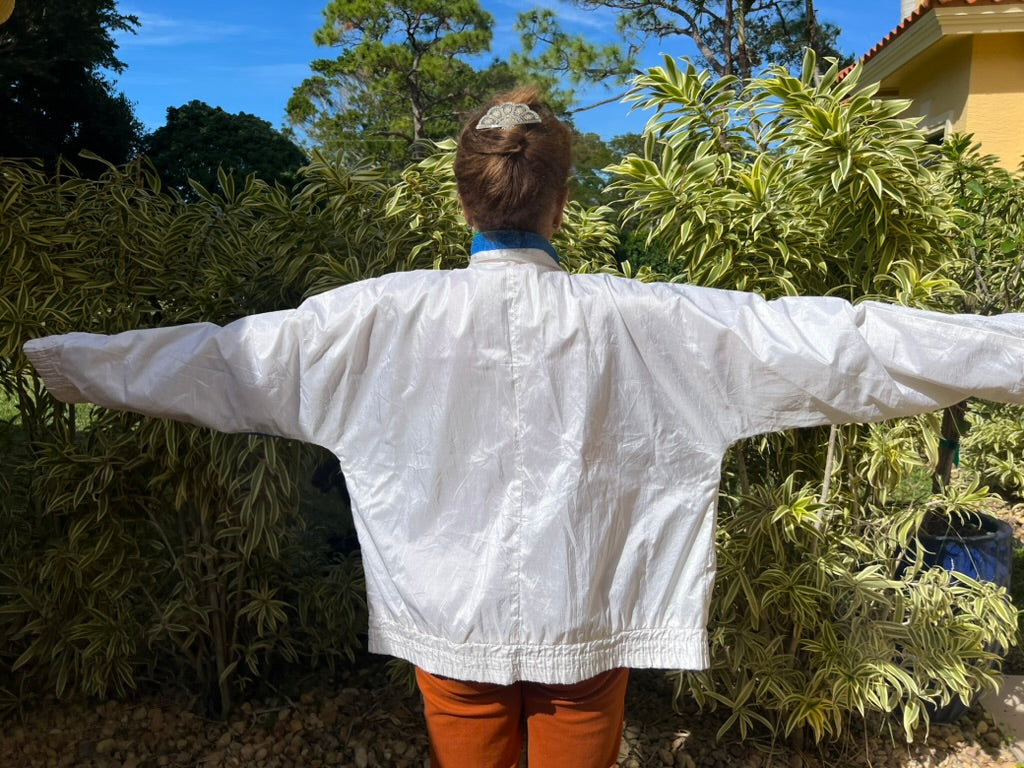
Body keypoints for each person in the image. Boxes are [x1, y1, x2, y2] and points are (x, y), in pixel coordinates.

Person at [22, 86, 1024, 767]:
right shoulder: (657, 321)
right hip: (587, 624)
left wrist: (57, 361)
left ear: (465, 187)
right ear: (562, 195)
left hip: (446, 629)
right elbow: (844, 345)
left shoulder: (369, 318)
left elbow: (215, 361)